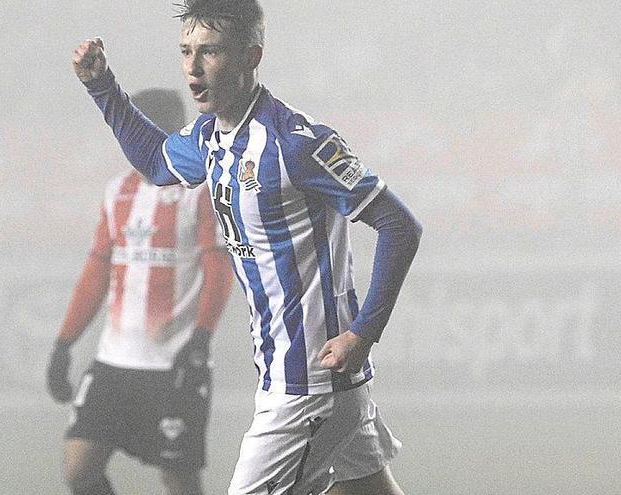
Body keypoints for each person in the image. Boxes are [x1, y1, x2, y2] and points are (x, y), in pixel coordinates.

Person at [71, 1, 422, 493]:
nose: (193, 67)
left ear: (250, 56)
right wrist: (102, 86)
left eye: (209, 51)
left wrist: (363, 332)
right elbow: (155, 160)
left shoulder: (297, 143)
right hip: (304, 375)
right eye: (186, 51)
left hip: (308, 383)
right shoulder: (210, 137)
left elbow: (399, 226)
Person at [45, 87, 233, 495]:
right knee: (79, 470)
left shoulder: (199, 191)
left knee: (178, 479)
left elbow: (218, 270)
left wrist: (200, 339)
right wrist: (64, 344)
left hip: (173, 363)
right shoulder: (118, 191)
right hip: (114, 362)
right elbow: (97, 272)